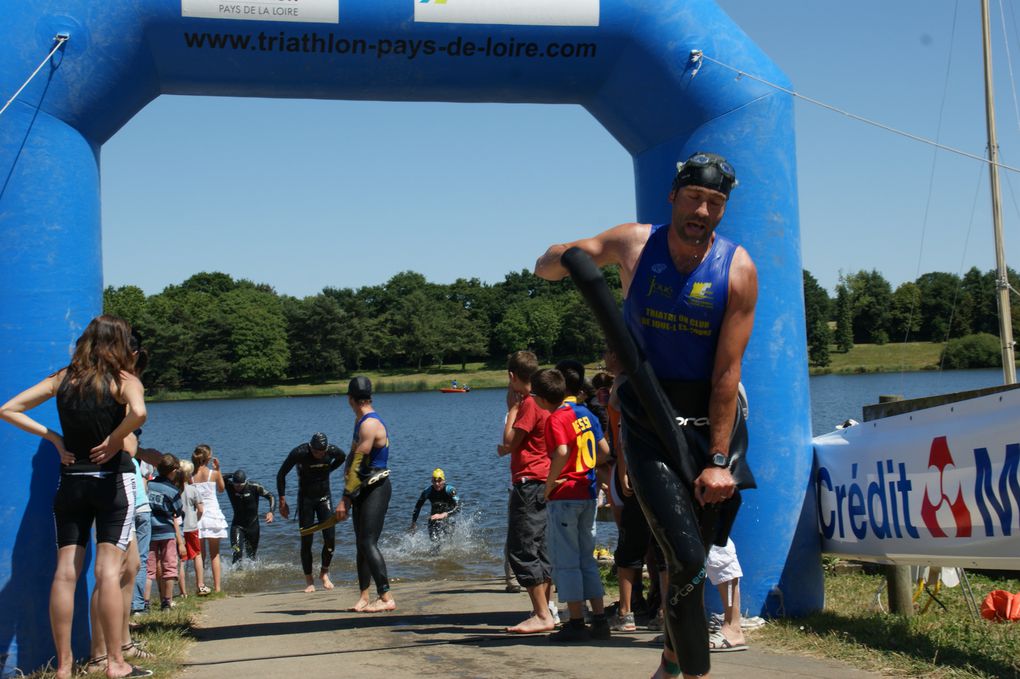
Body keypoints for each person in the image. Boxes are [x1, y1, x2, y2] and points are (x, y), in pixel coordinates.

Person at [536, 151, 757, 679]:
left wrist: (720, 460)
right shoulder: (636, 243)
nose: (703, 211)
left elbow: (727, 376)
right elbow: (551, 261)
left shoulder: (739, 269)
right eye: (695, 198)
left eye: (715, 203)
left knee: (690, 560)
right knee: (682, 556)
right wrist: (561, 258)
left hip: (713, 419)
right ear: (673, 198)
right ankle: (691, 672)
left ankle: (669, 663)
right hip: (648, 417)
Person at [0, 315, 151, 679]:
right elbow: (140, 412)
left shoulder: (63, 378)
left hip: (70, 482)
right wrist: (116, 440)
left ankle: (64, 667)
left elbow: (8, 408)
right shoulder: (122, 380)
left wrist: (54, 438)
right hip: (110, 484)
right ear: (119, 343)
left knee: (65, 573)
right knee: (108, 571)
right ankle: (116, 663)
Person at [531, 368, 612, 643]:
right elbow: (604, 452)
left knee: (566, 560)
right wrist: (587, 467)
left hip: (565, 494)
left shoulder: (556, 418)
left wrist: (549, 484)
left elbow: (562, 452)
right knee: (586, 557)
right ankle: (599, 619)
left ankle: (576, 620)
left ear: (541, 399)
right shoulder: (587, 414)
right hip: (588, 493)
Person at [496, 350, 555, 634]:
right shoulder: (543, 400)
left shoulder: (529, 405)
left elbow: (510, 441)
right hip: (544, 480)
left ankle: (542, 613)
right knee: (540, 546)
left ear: (512, 377)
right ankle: (545, 609)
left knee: (521, 547)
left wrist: (511, 411)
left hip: (529, 481)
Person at [336, 376, 395, 613]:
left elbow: (360, 463)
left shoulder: (369, 424)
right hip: (362, 488)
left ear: (350, 399)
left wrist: (345, 498)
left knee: (367, 542)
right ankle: (364, 596)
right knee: (361, 544)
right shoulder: (360, 421)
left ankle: (386, 596)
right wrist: (347, 472)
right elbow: (352, 456)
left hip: (377, 488)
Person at [277, 432, 346, 592]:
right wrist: (282, 501)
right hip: (305, 500)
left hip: (324, 497)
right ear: (310, 447)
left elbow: (343, 458)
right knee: (306, 540)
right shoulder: (299, 453)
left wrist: (328, 469)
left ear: (326, 448)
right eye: (315, 452)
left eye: (321, 452)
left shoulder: (333, 452)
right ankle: (309, 580)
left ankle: (324, 572)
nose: (318, 454)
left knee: (330, 539)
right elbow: (281, 474)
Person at [145, 454, 185, 611]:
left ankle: (145, 603)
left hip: (149, 531)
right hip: (167, 532)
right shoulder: (172, 490)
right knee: (170, 566)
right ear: (173, 471)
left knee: (149, 568)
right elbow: (178, 510)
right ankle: (166, 602)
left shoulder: (148, 485)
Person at [192, 444, 227, 594]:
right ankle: (218, 588)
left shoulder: (190, 476)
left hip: (197, 516)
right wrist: (218, 469)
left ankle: (201, 585)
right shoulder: (214, 473)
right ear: (208, 458)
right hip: (212, 515)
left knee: (199, 554)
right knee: (215, 554)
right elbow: (221, 489)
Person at [224, 469, 275, 564]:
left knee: (251, 557)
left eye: (240, 486)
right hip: (237, 526)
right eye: (236, 485)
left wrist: (271, 512)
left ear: (245, 482)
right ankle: (237, 575)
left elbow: (271, 496)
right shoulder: (230, 486)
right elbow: (220, 477)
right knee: (237, 552)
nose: (237, 488)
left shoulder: (254, 487)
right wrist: (233, 475)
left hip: (253, 526)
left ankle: (250, 577)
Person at [410, 468, 460, 543]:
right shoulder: (427, 491)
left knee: (448, 539)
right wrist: (413, 523)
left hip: (449, 518)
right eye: (434, 481)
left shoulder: (450, 490)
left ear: (444, 481)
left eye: (439, 481)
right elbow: (418, 507)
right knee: (434, 542)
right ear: (431, 481)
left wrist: (444, 514)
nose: (437, 484)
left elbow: (459, 507)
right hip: (434, 518)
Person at [178, 460, 204, 595]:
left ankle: (183, 592)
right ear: (189, 476)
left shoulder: (175, 490)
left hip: (179, 528)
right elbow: (200, 509)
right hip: (192, 526)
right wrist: (196, 519)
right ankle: (200, 585)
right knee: (197, 555)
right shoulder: (193, 490)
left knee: (181, 561)